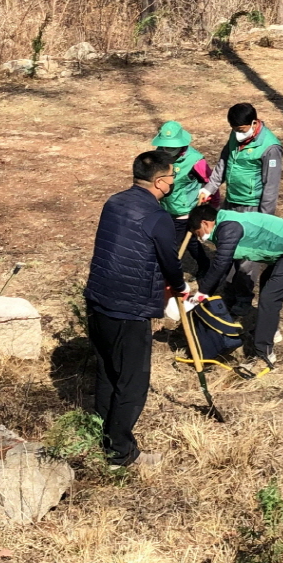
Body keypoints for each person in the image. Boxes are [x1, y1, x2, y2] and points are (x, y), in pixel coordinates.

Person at [83, 151, 188, 468]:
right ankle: (121, 453)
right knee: (132, 382)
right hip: (128, 310)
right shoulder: (158, 217)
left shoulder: (114, 202)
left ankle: (102, 436)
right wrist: (180, 287)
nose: (173, 183)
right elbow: (170, 262)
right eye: (172, 178)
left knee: (107, 372)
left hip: (98, 299)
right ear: (160, 182)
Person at [188, 202, 283, 379]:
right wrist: (206, 293)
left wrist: (202, 292)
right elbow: (223, 266)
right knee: (268, 284)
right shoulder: (224, 225)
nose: (200, 238)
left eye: (198, 233)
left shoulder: (229, 227)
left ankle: (264, 354)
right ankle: (270, 330)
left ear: (205, 223)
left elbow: (221, 263)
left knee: (270, 298)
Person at [151, 120, 219, 244]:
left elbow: (211, 182)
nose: (167, 150)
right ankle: (201, 258)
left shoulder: (195, 160)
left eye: (172, 147)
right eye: (165, 146)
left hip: (184, 211)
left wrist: (213, 205)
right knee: (191, 242)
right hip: (166, 206)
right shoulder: (159, 153)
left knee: (174, 242)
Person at [215, 103, 282, 213]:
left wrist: (265, 216)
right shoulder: (235, 133)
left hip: (251, 205)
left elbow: (271, 185)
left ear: (254, 123)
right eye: (234, 130)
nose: (237, 134)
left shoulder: (270, 148)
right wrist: (209, 188)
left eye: (241, 130)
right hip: (231, 199)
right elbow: (224, 161)